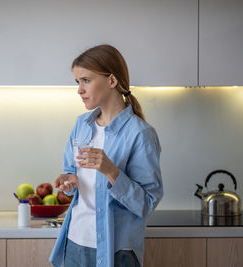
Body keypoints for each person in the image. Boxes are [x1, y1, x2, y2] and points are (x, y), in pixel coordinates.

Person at [49, 44, 163, 267]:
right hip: (74, 241)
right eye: (77, 82)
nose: (79, 90)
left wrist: (111, 171)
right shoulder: (81, 125)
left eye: (86, 80)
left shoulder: (140, 134)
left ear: (111, 80)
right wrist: (69, 181)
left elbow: (146, 204)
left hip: (116, 250)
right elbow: (72, 173)